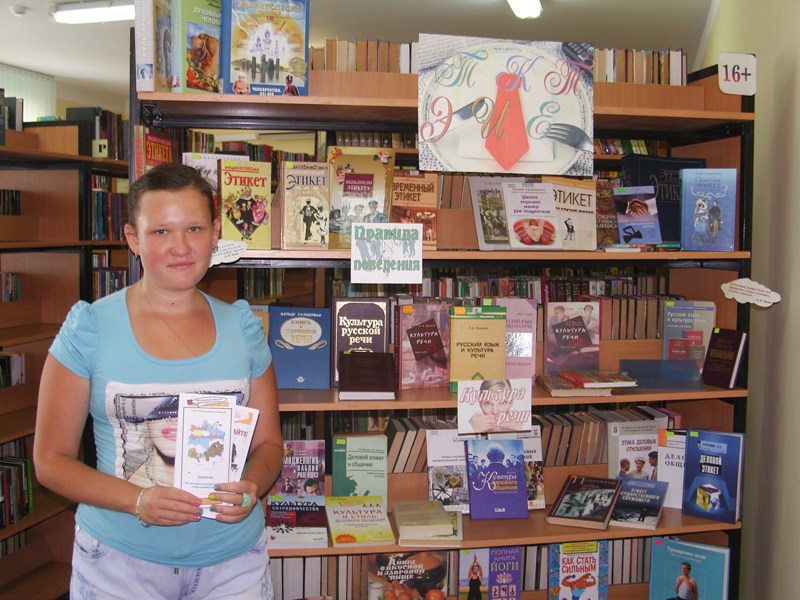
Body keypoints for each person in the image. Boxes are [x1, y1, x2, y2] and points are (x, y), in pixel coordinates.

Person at [33, 163, 283, 599]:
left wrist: (252, 487)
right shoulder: (90, 328)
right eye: (161, 231)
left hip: (233, 565)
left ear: (215, 232)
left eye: (194, 228)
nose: (180, 247)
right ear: (133, 238)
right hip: (118, 566)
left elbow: (269, 445)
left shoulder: (243, 328)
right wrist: (136, 500)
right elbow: (50, 461)